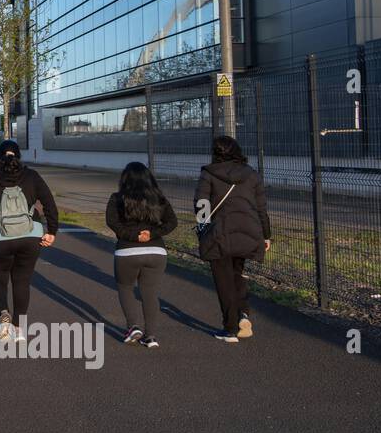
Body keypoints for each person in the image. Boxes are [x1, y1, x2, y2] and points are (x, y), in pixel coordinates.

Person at [0, 140, 59, 343]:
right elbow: (49, 203)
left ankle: (3, 314)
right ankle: (18, 329)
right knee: (22, 281)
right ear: (19, 156)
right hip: (30, 236)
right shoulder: (32, 176)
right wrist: (52, 231)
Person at [194, 135, 271, 342]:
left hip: (220, 234)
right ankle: (243, 313)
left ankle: (230, 329)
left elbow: (201, 205)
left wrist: (203, 230)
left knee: (224, 281)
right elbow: (261, 208)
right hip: (248, 232)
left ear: (215, 153)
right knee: (237, 274)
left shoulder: (208, 174)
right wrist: (266, 235)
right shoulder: (252, 175)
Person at [105, 162, 178, 349]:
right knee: (150, 293)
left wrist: (133, 235)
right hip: (156, 251)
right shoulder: (159, 199)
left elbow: (112, 222)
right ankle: (151, 336)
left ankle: (133, 327)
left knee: (125, 287)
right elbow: (172, 222)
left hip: (127, 250)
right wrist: (151, 234)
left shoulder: (117, 198)